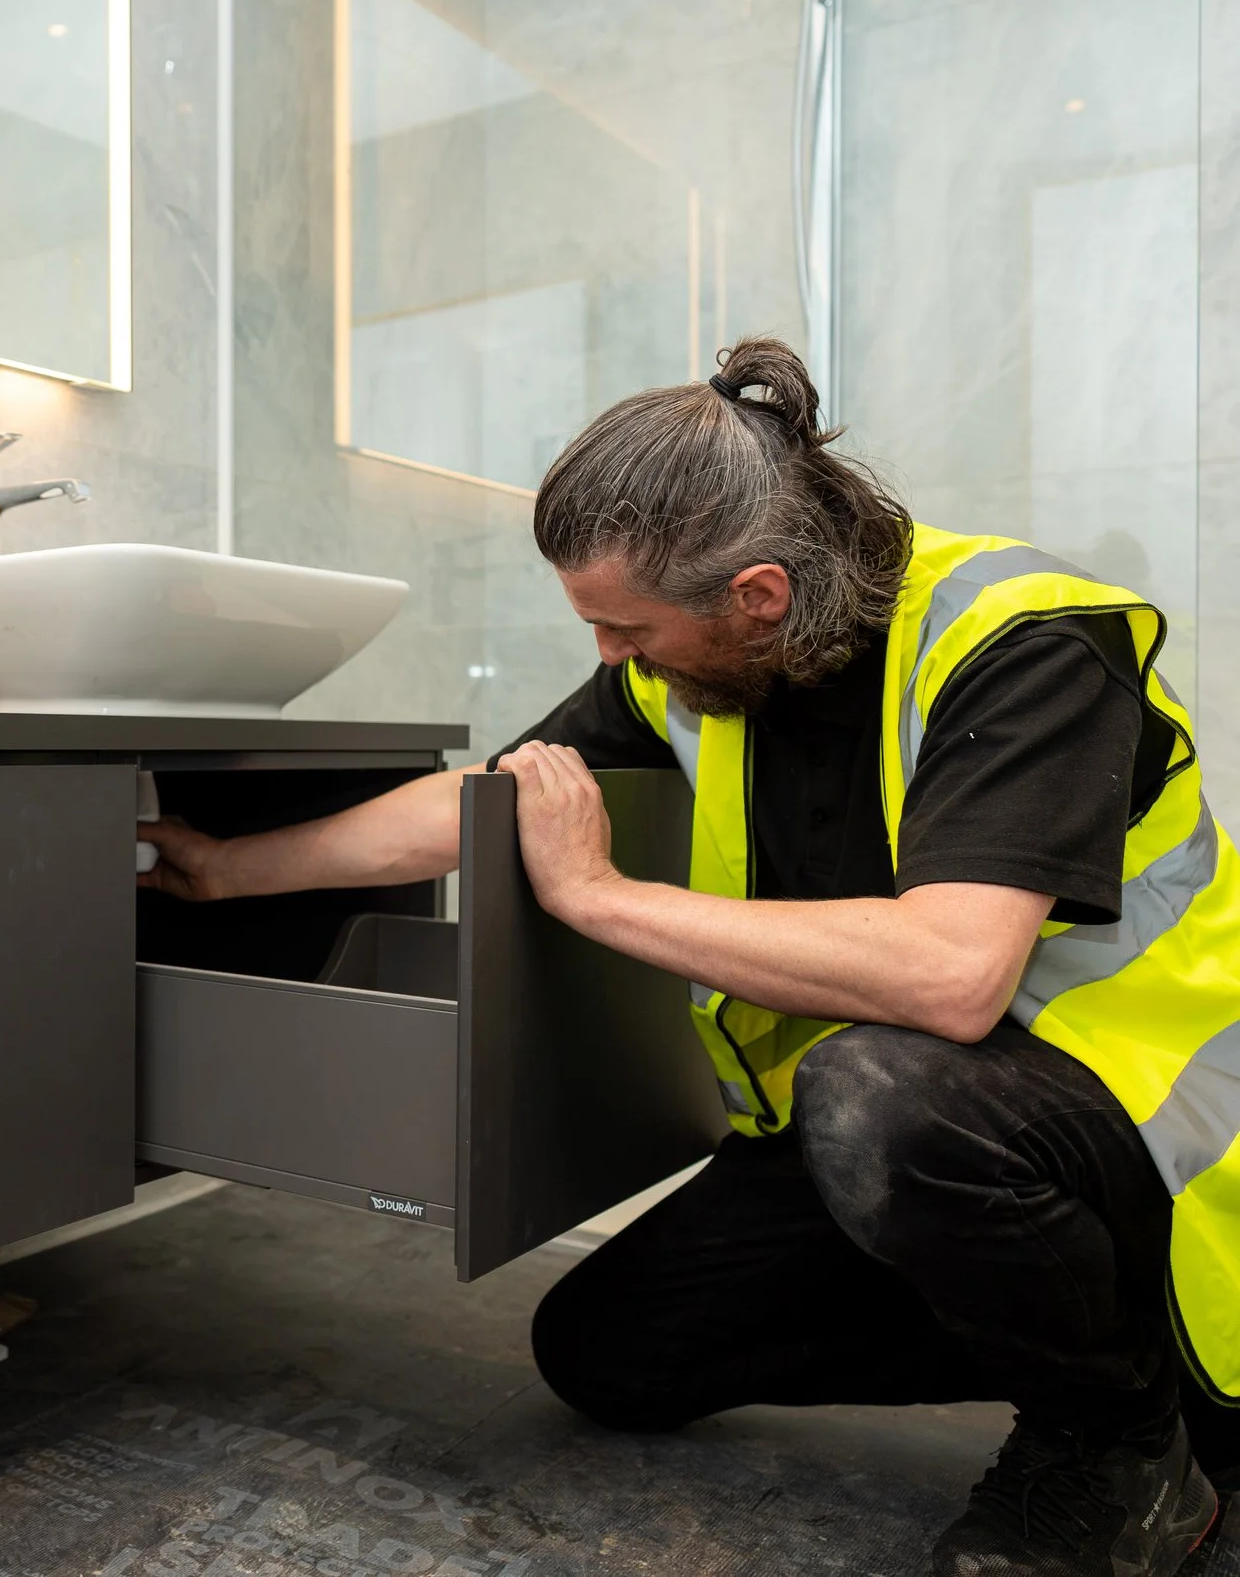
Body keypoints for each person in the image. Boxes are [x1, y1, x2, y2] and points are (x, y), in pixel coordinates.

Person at [140, 337, 1240, 1577]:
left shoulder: (1021, 637)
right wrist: (231, 869)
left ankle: (1116, 1447)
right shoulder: (704, 672)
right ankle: (1125, 1344)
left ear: (757, 596)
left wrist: (600, 895)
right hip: (916, 1132)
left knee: (878, 1092)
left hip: (1152, 1126)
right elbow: (491, 797)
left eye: (624, 626)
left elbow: (950, 973)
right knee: (607, 1353)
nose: (609, 655)